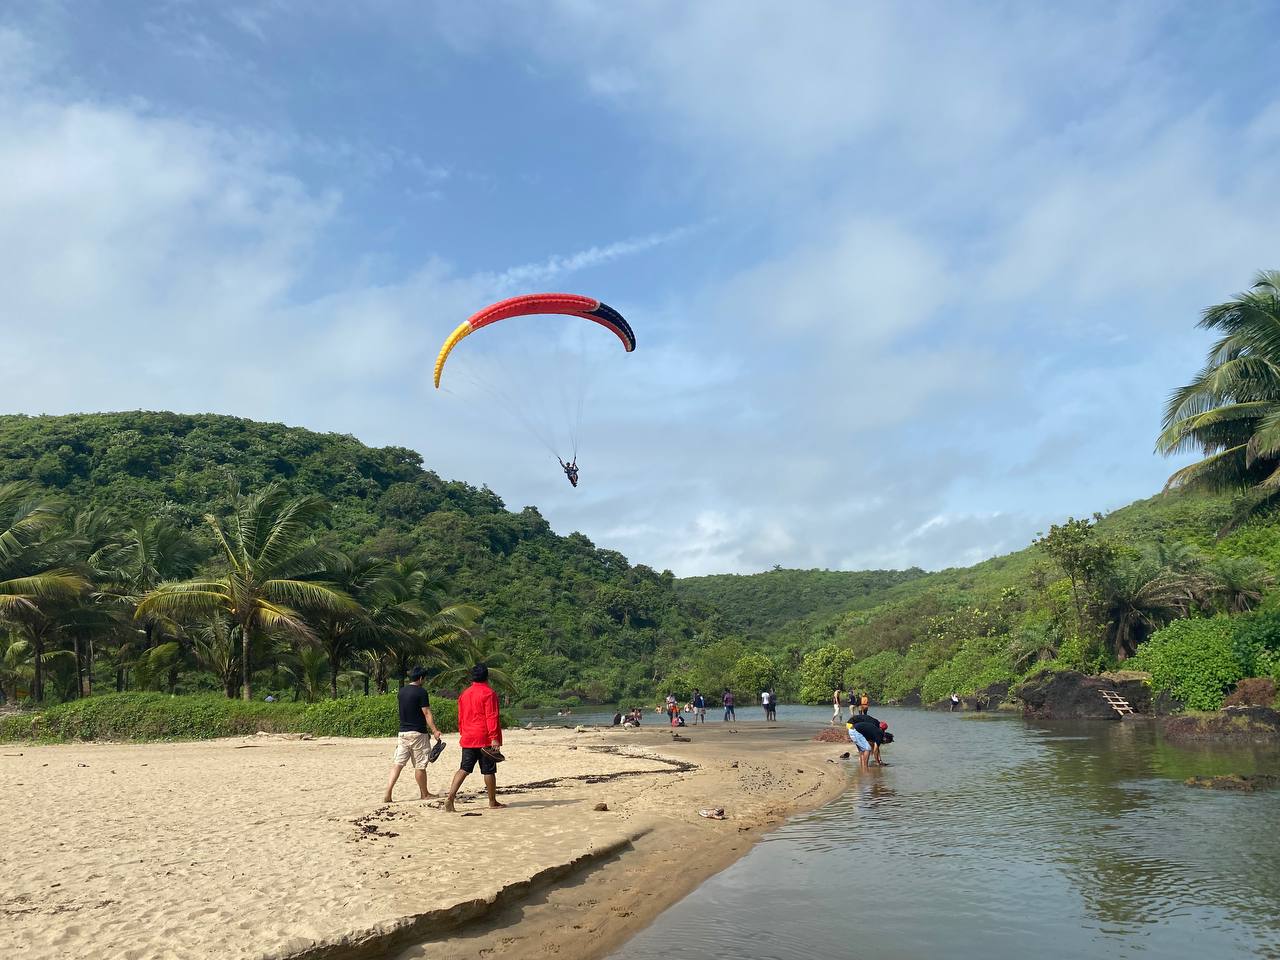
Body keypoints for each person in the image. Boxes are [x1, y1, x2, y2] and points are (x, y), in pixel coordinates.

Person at [443, 664, 505, 813]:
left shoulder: (465, 694)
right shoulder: (489, 693)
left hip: (468, 736)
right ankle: (492, 801)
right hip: (484, 737)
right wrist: (494, 737)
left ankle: (451, 797)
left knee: (464, 768)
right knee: (489, 771)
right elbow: (492, 716)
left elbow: (461, 716)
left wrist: (463, 732)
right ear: (487, 676)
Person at [383, 666, 444, 803]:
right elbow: (426, 713)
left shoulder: (401, 692)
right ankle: (424, 793)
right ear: (421, 678)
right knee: (420, 766)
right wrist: (435, 730)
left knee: (398, 764)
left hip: (403, 733)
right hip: (418, 734)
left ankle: (388, 792)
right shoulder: (421, 692)